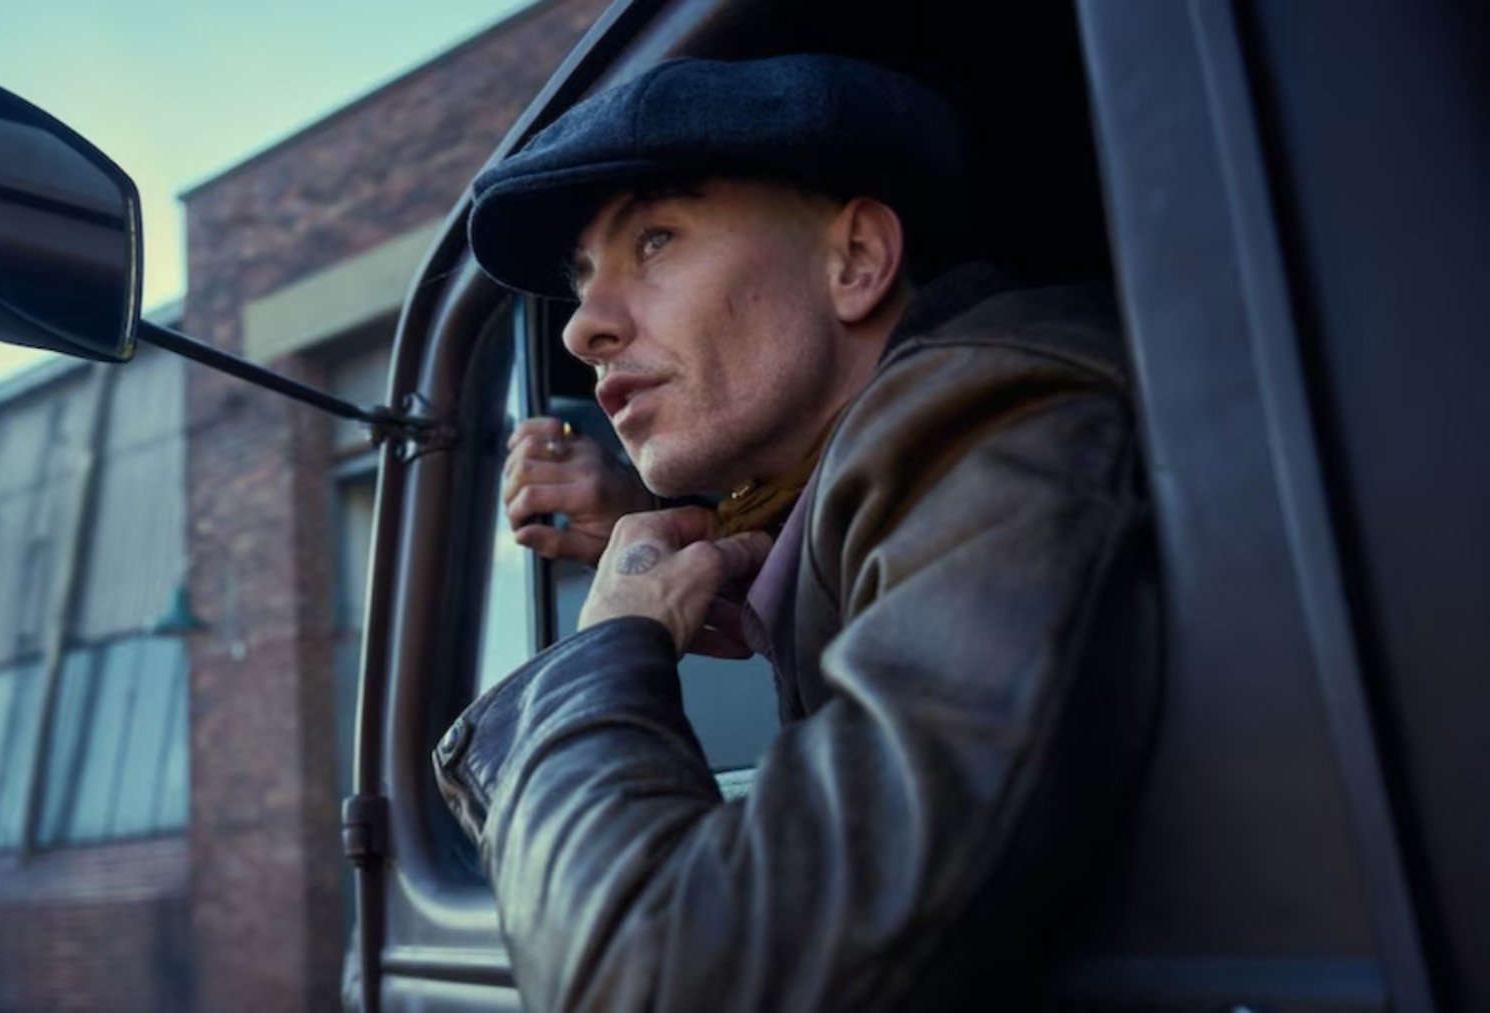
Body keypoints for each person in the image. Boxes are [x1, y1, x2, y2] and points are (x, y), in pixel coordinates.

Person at [433, 54, 1158, 1010]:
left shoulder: (1000, 427)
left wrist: (606, 646)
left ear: (855, 260)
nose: (579, 329)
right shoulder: (933, 446)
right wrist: (665, 527)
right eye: (582, 278)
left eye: (655, 238)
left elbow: (660, 977)